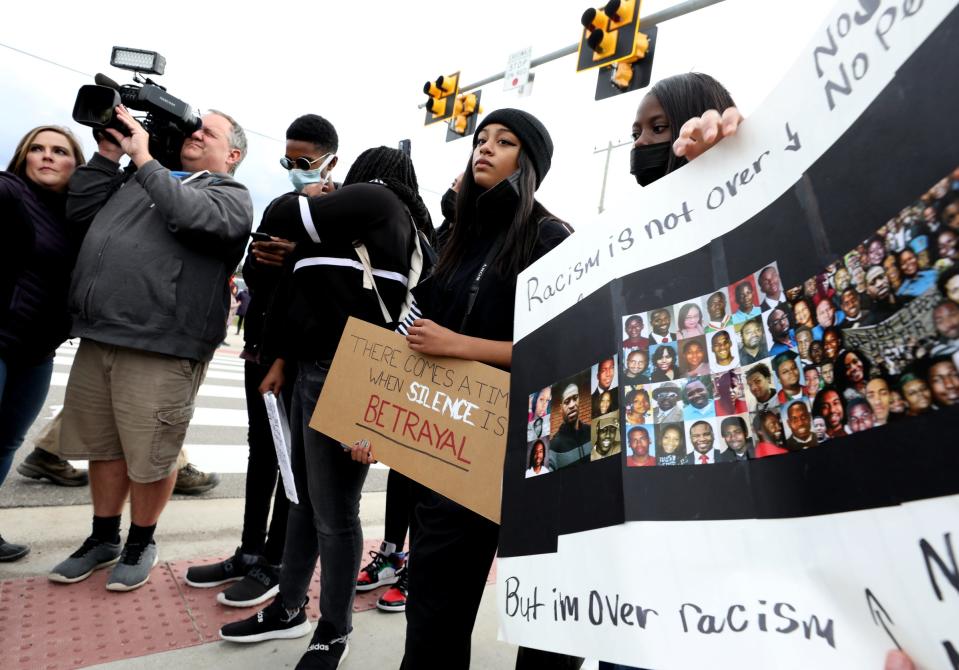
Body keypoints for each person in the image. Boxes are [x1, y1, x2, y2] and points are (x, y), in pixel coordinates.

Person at [347, 109, 571, 670]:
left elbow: (570, 353)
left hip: (532, 456)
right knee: (433, 617)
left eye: (505, 141)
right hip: (451, 452)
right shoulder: (454, 236)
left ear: (531, 162)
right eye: (480, 139)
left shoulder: (551, 237)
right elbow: (412, 337)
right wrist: (374, 422)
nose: (485, 149)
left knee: (548, 630)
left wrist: (464, 345)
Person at [220, 146, 433, 667]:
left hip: (352, 372)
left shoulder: (380, 204)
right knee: (304, 502)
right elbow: (298, 294)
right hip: (309, 369)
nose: (331, 189)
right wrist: (281, 357)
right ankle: (290, 607)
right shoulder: (346, 234)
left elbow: (279, 215)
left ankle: (333, 628)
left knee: (335, 512)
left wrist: (305, 198)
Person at [50, 106, 253, 591]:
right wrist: (107, 154)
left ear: (234, 154)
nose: (196, 133)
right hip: (103, 334)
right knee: (102, 447)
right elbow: (79, 213)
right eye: (195, 127)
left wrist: (144, 159)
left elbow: (191, 217)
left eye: (210, 132)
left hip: (164, 345)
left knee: (152, 455)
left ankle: (141, 541)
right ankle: (103, 538)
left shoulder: (230, 195)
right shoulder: (140, 179)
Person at [186, 114, 339, 608]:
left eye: (304, 161)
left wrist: (295, 256)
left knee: (293, 465)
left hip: (298, 358)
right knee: (261, 455)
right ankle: (249, 552)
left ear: (330, 160)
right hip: (260, 349)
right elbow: (252, 267)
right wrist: (268, 257)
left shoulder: (340, 208)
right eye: (287, 160)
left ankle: (276, 562)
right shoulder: (279, 203)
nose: (295, 168)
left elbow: (332, 284)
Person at [0, 125, 86, 562]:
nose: (47, 156)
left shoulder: (75, 215)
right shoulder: (11, 191)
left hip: (37, 349)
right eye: (37, 149)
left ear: (77, 164)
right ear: (23, 157)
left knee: (8, 441)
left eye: (59, 150)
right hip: (1, 337)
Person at [550, 383, 593, 469]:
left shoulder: (592, 431)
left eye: (575, 398)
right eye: (567, 402)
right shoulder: (553, 446)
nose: (572, 405)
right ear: (560, 408)